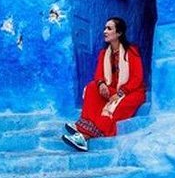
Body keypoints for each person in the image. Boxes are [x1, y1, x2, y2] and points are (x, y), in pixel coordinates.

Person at [62, 17, 146, 152]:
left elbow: (137, 78)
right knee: (91, 88)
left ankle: (83, 135)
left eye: (109, 28)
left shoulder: (131, 51)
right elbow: (98, 74)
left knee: (113, 109)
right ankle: (83, 126)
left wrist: (120, 93)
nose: (105, 31)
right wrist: (101, 84)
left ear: (119, 33)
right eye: (105, 28)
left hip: (132, 92)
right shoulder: (104, 53)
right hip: (113, 90)